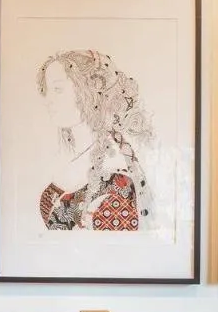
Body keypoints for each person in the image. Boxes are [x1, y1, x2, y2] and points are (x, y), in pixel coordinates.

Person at [36, 49, 154, 231]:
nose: (48, 100)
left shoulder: (117, 182)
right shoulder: (75, 152)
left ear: (88, 92)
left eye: (58, 89)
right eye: (47, 90)